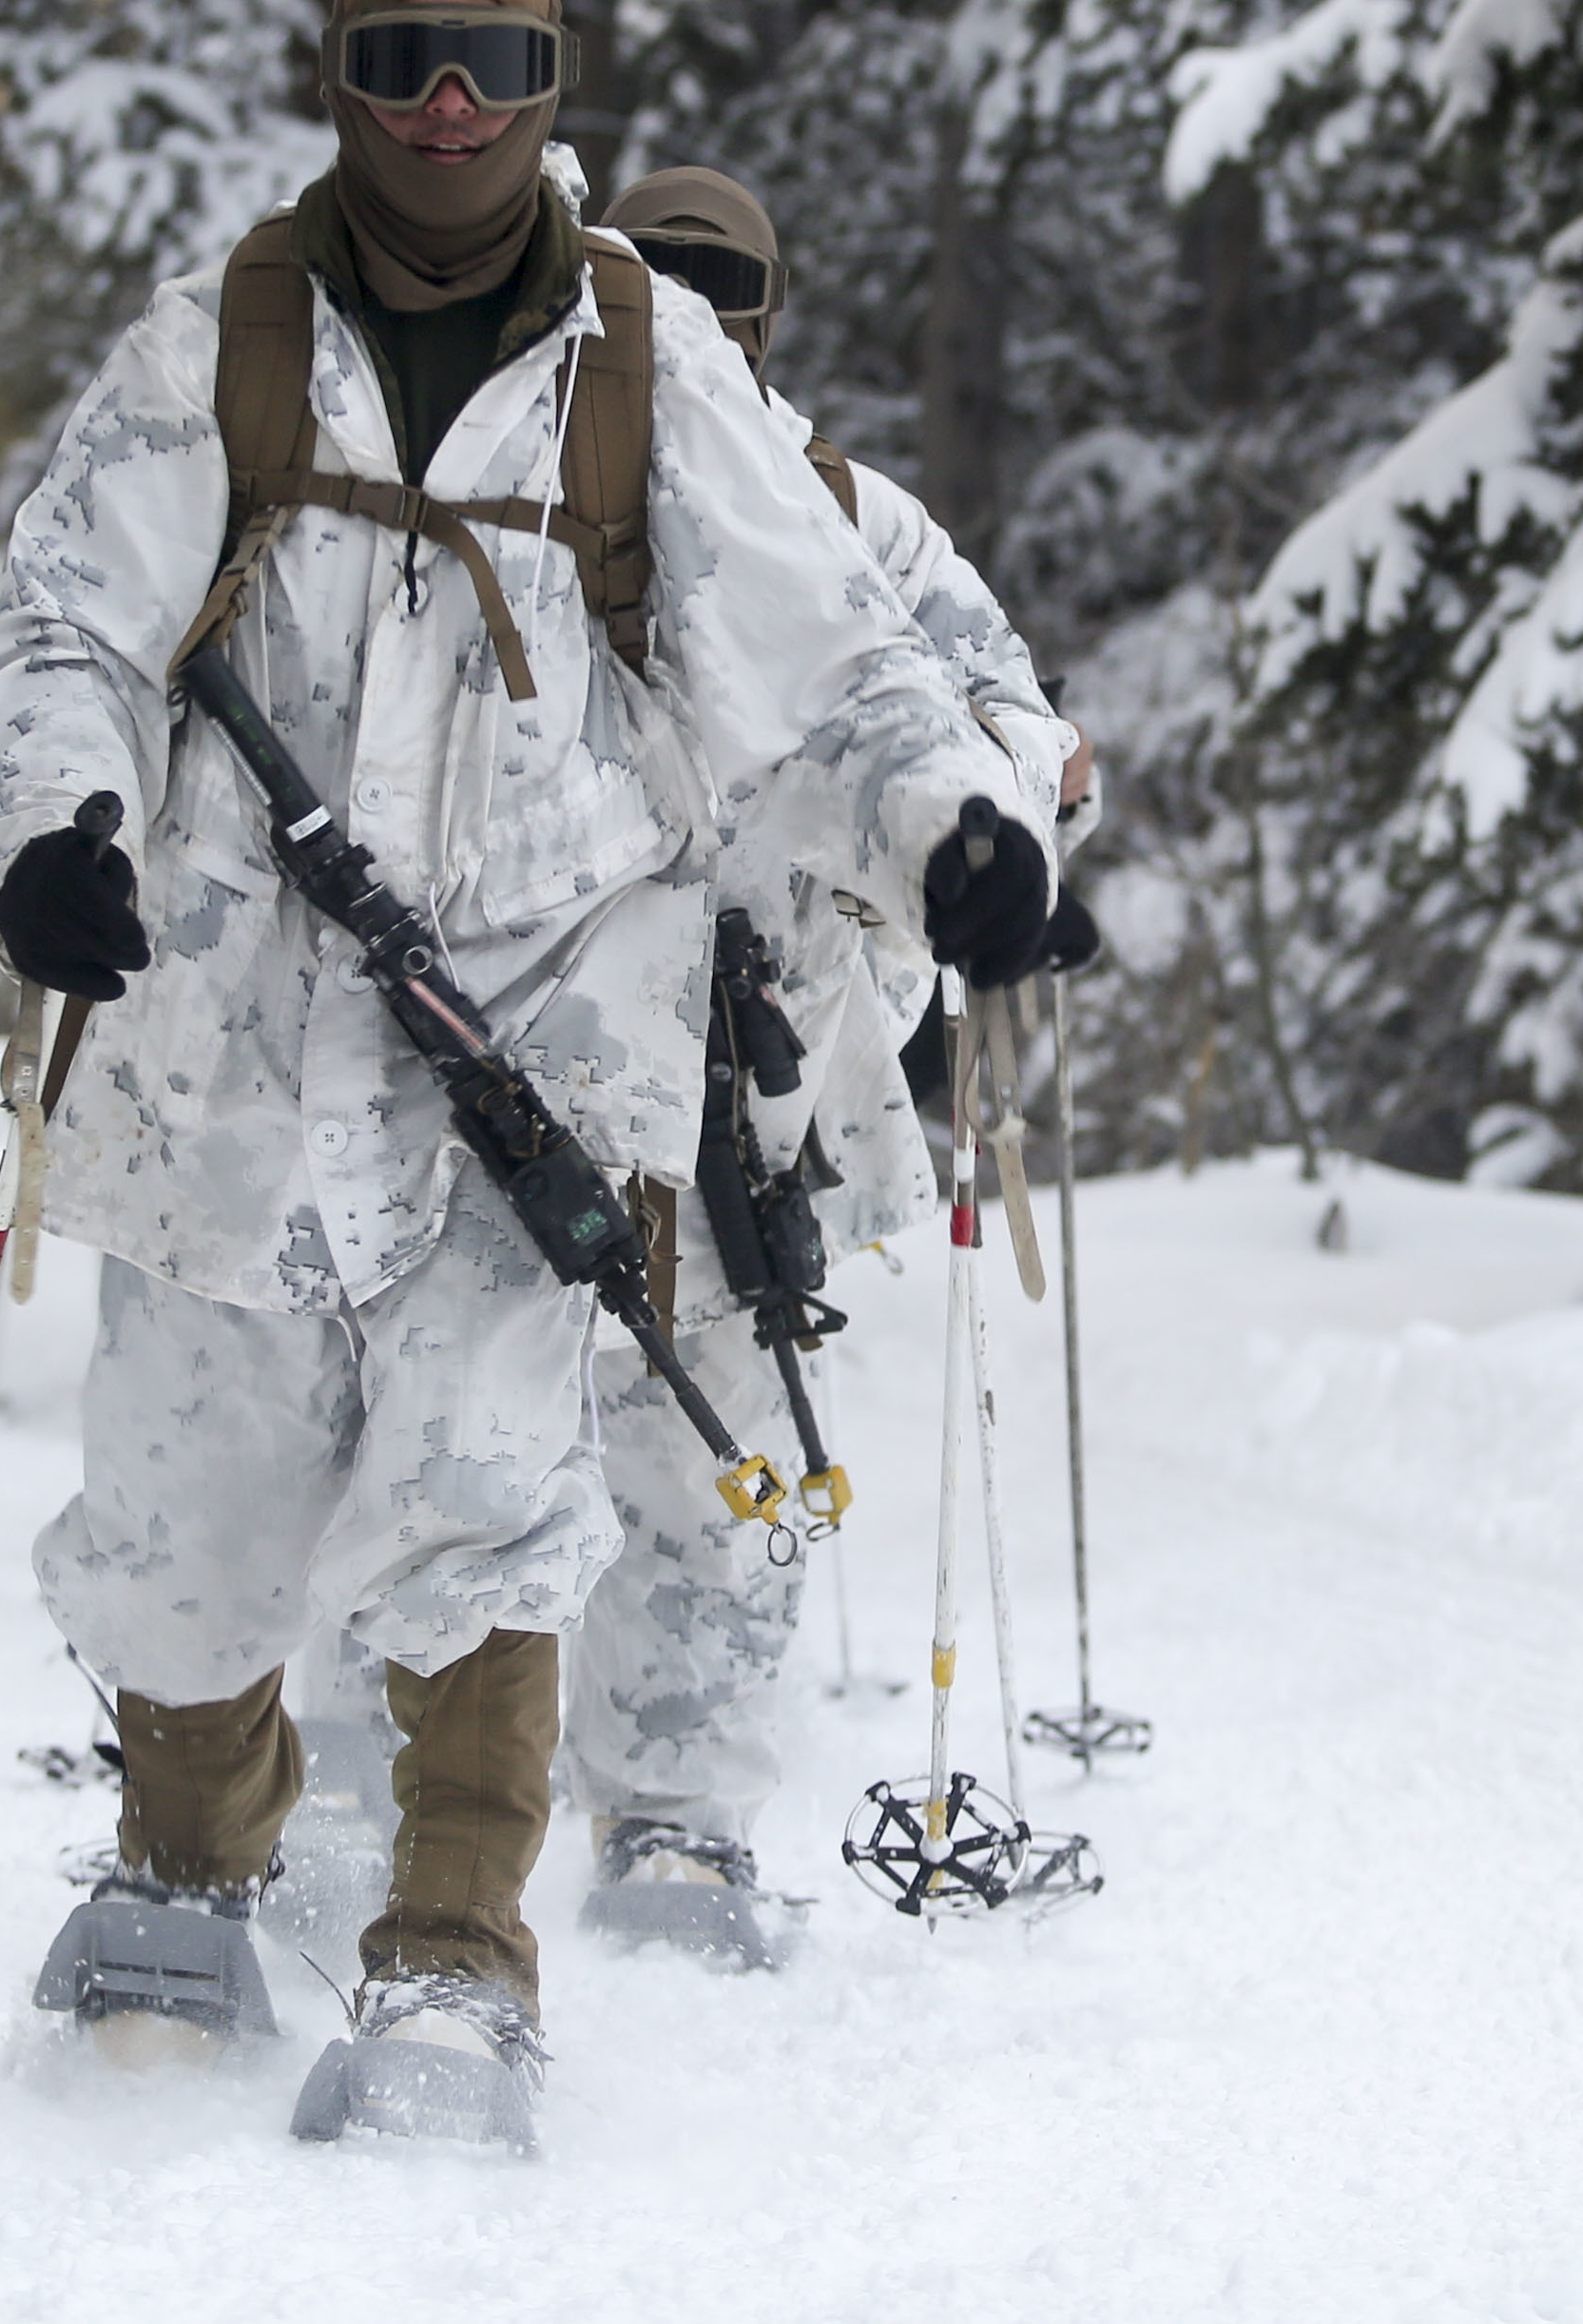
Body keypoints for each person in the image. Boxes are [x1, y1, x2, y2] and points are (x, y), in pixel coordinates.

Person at [0, 0, 1072, 2146]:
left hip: (541, 1036)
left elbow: (831, 657)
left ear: (549, 83)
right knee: (181, 1543)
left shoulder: (646, 366)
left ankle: (454, 1968)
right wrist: (50, 827)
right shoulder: (218, 350)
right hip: (228, 1041)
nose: (441, 104)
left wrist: (949, 827)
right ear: (340, 80)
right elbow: (61, 618)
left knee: (488, 1498)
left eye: (483, 59)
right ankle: (185, 1860)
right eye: (397, 61)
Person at [553, 165, 1094, 1956]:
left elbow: (1004, 713)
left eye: (726, 282)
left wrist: (995, 854)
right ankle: (339, 1783)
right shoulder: (511, 458)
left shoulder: (860, 520)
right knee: (429, 1400)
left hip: (757, 1052)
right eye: (661, 274)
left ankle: (677, 1822)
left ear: (771, 308)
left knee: (723, 1443)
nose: (695, 308)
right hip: (520, 1028)